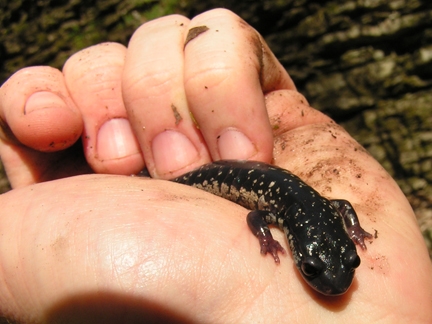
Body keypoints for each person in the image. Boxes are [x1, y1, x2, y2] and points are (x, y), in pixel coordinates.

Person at [0, 8, 431, 323]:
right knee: (181, 173)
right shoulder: (291, 213)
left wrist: (346, 233)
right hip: (210, 178)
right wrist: (268, 238)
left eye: (346, 264)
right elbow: (273, 212)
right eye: (315, 269)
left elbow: (317, 208)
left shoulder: (300, 219)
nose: (333, 283)